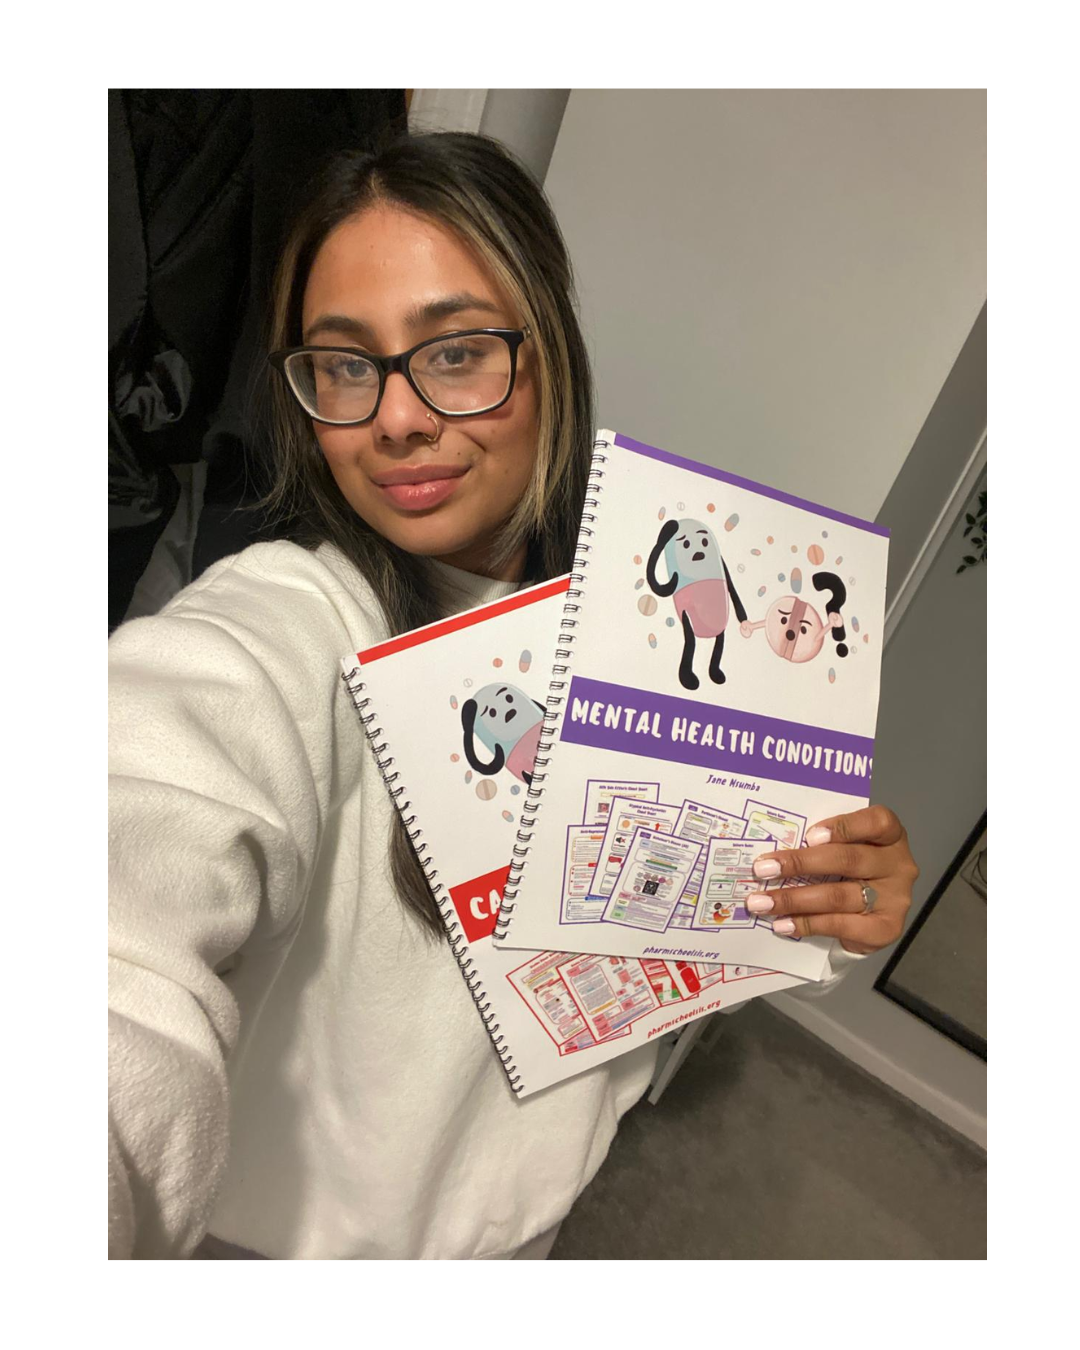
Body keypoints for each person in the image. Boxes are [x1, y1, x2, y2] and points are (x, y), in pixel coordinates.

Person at [108, 130, 919, 1260]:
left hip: (527, 1236)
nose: (393, 416)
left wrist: (819, 900)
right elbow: (131, 853)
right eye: (344, 364)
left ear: (549, 358)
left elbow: (668, 935)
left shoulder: (638, 612)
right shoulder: (289, 620)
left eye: (454, 352)